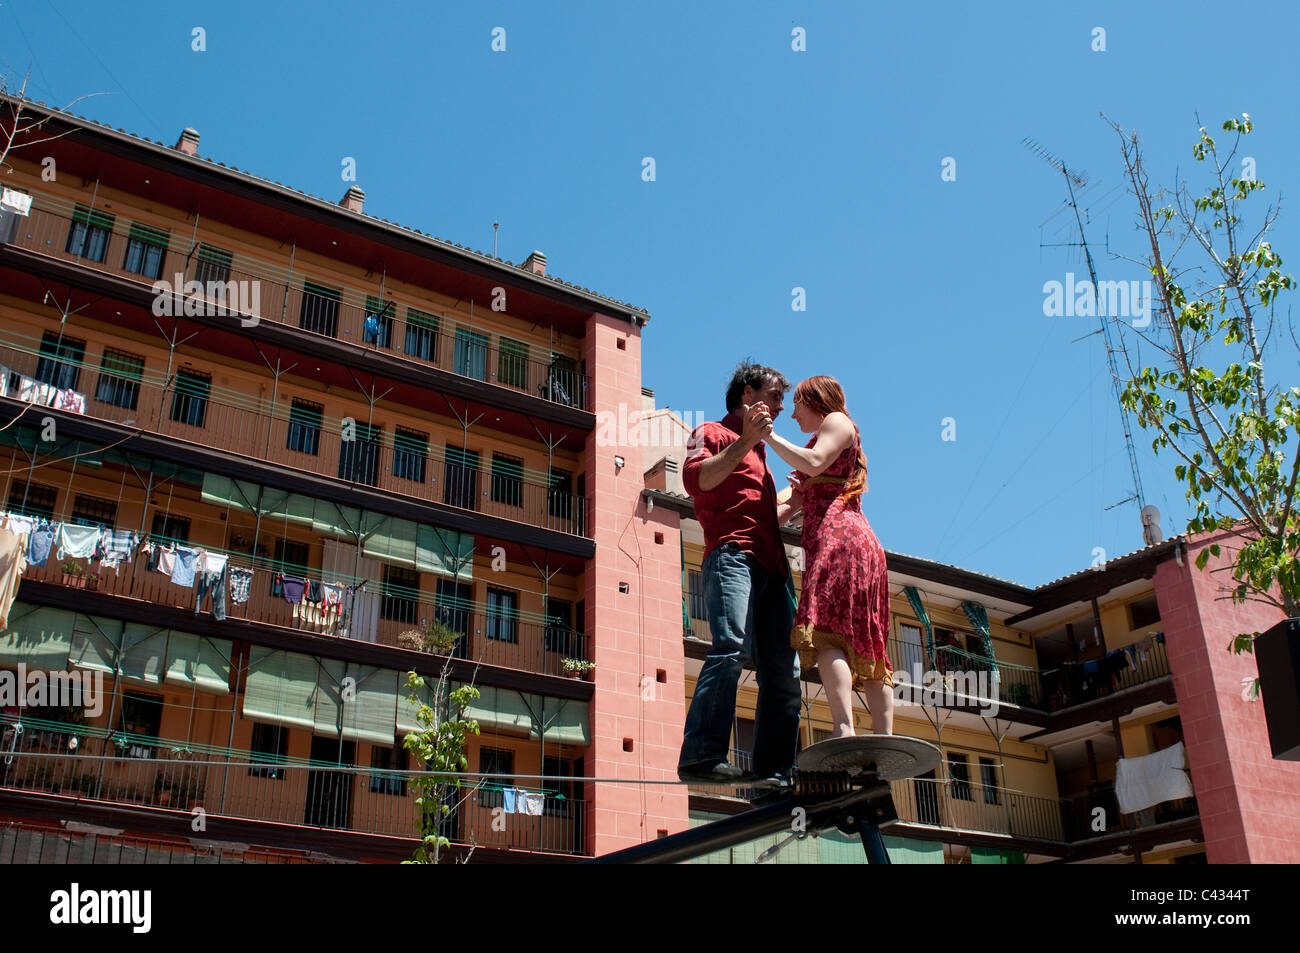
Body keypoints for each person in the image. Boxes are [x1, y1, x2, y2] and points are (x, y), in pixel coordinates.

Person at [677, 363, 802, 784]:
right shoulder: (712, 432)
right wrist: (744, 441)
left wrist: (796, 501)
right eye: (775, 396)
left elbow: (763, 514)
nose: (782, 407)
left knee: (785, 675)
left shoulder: (763, 455)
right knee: (730, 648)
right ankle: (701, 756)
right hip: (733, 557)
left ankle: (774, 778)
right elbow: (696, 481)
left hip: (773, 571)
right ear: (748, 394)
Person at [767, 375, 894, 737]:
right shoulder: (813, 452)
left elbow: (814, 460)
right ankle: (881, 736)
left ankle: (844, 728)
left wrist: (768, 436)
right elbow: (783, 511)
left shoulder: (837, 422)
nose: (792, 415)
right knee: (866, 639)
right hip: (849, 543)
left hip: (838, 540)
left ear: (815, 401)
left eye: (796, 406)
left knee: (825, 633)